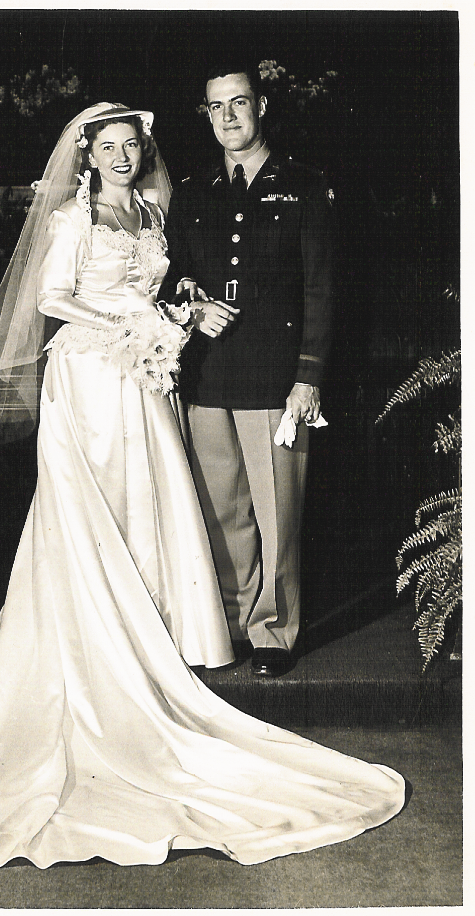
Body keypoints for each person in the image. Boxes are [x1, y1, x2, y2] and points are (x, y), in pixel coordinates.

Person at [0, 103, 404, 870]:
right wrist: (125, 325)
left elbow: (162, 280)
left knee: (152, 499)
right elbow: (50, 300)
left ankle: (156, 637)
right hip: (90, 375)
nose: (120, 155)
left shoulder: (147, 206)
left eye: (129, 145)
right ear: (86, 155)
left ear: (142, 150)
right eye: (106, 147)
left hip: (143, 377)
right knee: (94, 510)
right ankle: (100, 642)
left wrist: (172, 312)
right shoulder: (72, 220)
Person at [159, 64, 335, 678]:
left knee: (277, 510)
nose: (228, 117)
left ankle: (274, 632)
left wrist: (307, 377)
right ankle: (230, 625)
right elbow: (170, 273)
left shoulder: (305, 186)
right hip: (208, 376)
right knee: (222, 510)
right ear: (205, 115)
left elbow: (321, 289)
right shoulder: (195, 188)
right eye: (215, 107)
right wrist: (190, 300)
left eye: (238, 104)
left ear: (260, 107)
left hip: (275, 377)